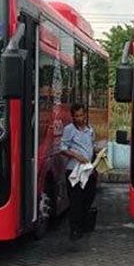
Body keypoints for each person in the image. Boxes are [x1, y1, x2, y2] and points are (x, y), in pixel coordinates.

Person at [60, 103, 97, 241]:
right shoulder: (69, 130)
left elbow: (92, 145)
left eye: (81, 115)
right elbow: (62, 148)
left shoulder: (90, 130)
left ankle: (82, 223)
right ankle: (75, 229)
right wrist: (76, 156)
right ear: (73, 117)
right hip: (74, 169)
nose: (79, 118)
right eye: (77, 116)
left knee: (89, 196)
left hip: (88, 169)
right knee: (76, 199)